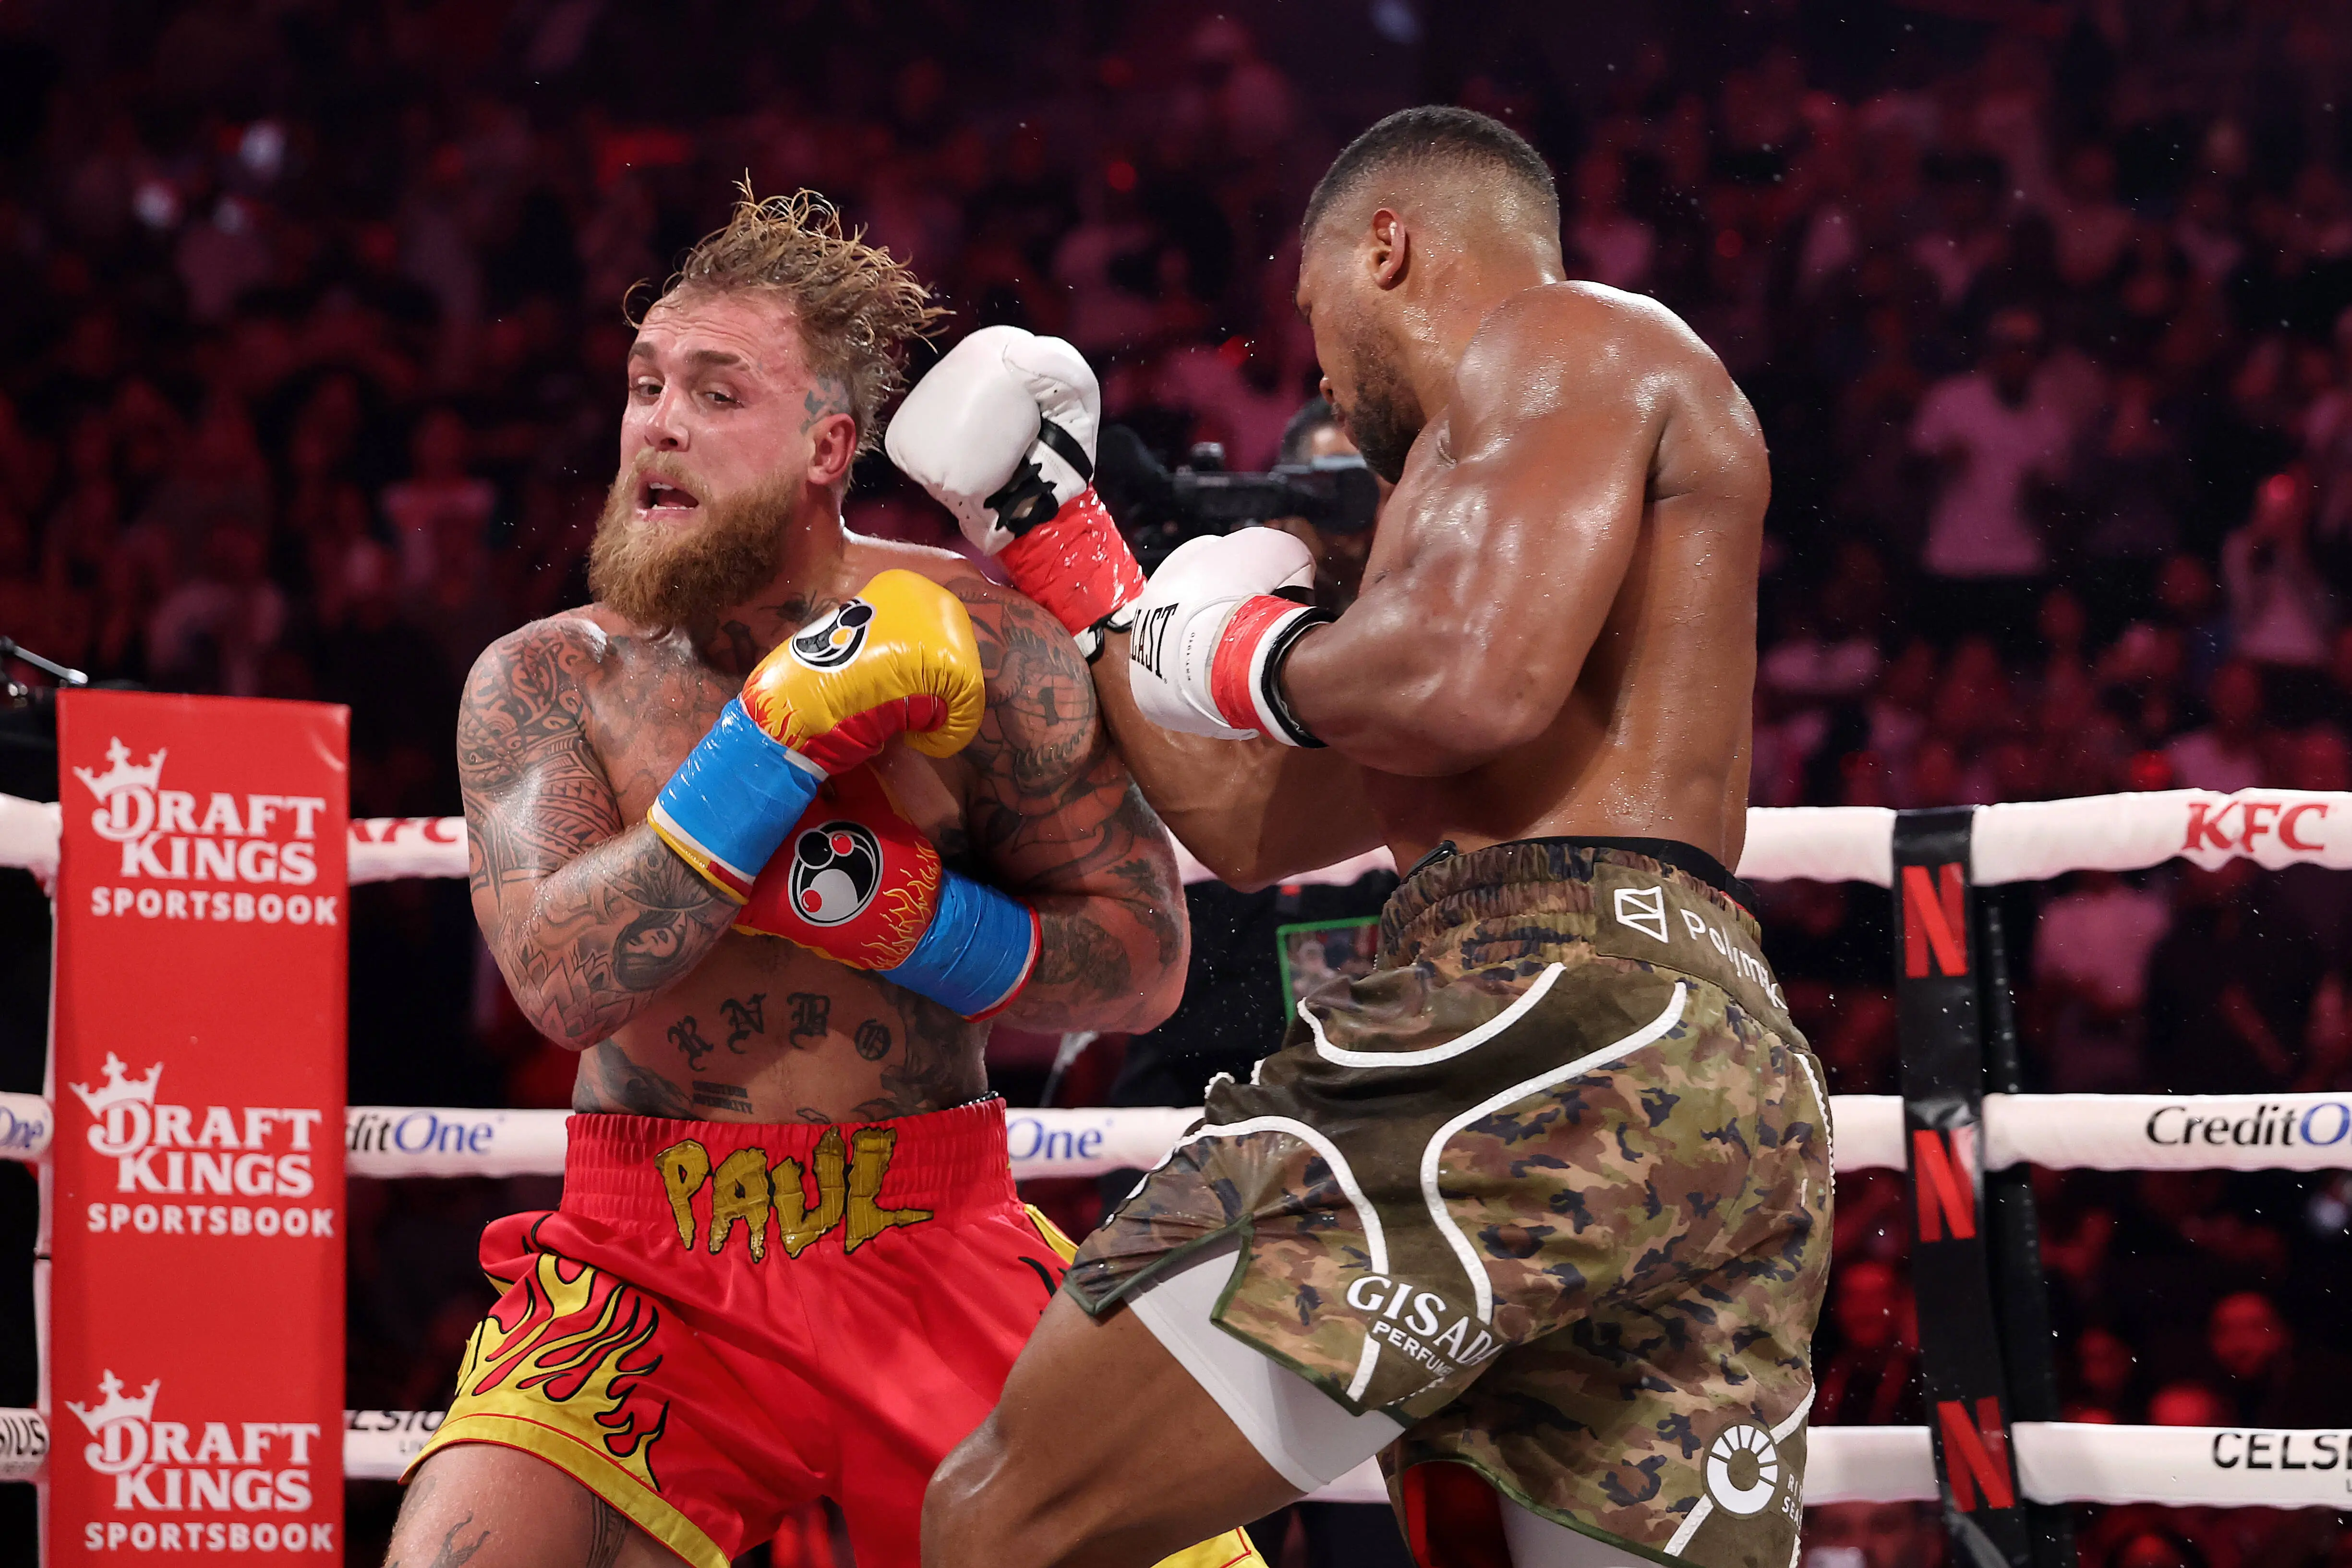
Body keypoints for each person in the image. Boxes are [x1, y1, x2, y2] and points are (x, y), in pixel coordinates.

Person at [889, 108, 1829, 1568]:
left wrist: (1239, 650)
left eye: (1315, 314)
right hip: (1699, 1063)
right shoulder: (1467, 527)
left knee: (1002, 1517)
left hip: (1540, 1005)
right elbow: (1250, 829)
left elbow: (1467, 681)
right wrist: (1067, 550)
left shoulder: (1574, 338)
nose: (1317, 367)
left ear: (1387, 248)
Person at [384, 190, 1254, 1568]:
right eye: (646, 386)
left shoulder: (991, 643)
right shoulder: (549, 678)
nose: (658, 423)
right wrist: (770, 746)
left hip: (931, 1236)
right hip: (647, 1263)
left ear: (825, 446)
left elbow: (1146, 959)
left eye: (715, 393)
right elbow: (555, 981)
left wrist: (920, 924)